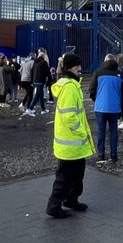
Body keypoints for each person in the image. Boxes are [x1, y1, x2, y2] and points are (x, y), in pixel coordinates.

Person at [46, 53, 94, 219]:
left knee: (76, 176)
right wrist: (80, 131)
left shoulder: (72, 85)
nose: (79, 70)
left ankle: (71, 200)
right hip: (71, 143)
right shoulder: (69, 87)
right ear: (69, 68)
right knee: (64, 178)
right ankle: (54, 206)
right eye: (76, 67)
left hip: (73, 144)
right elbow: (69, 116)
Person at [89, 54, 123, 164]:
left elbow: (92, 89)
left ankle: (101, 154)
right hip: (115, 107)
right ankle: (114, 155)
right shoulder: (120, 74)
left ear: (105, 61)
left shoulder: (98, 73)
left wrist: (97, 100)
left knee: (101, 131)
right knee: (113, 131)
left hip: (100, 107)